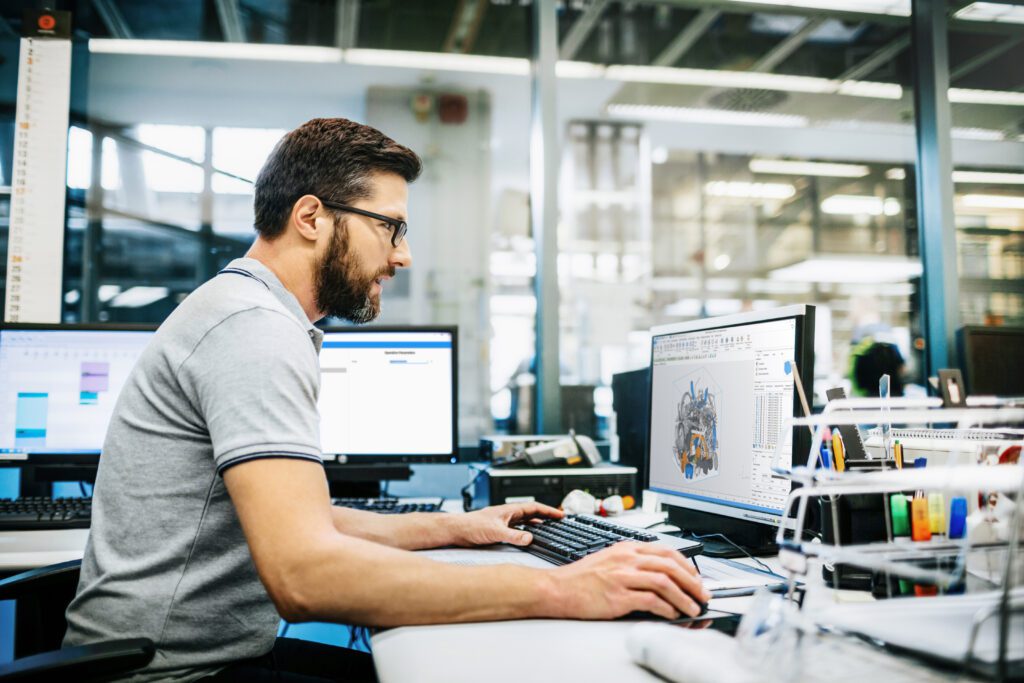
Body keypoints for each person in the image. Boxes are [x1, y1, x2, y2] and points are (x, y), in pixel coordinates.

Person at [63, 118, 709, 683]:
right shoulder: (252, 331)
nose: (402, 257)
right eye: (391, 228)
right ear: (312, 217)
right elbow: (304, 575)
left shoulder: (250, 314)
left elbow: (307, 522)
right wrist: (564, 587)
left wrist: (457, 527)